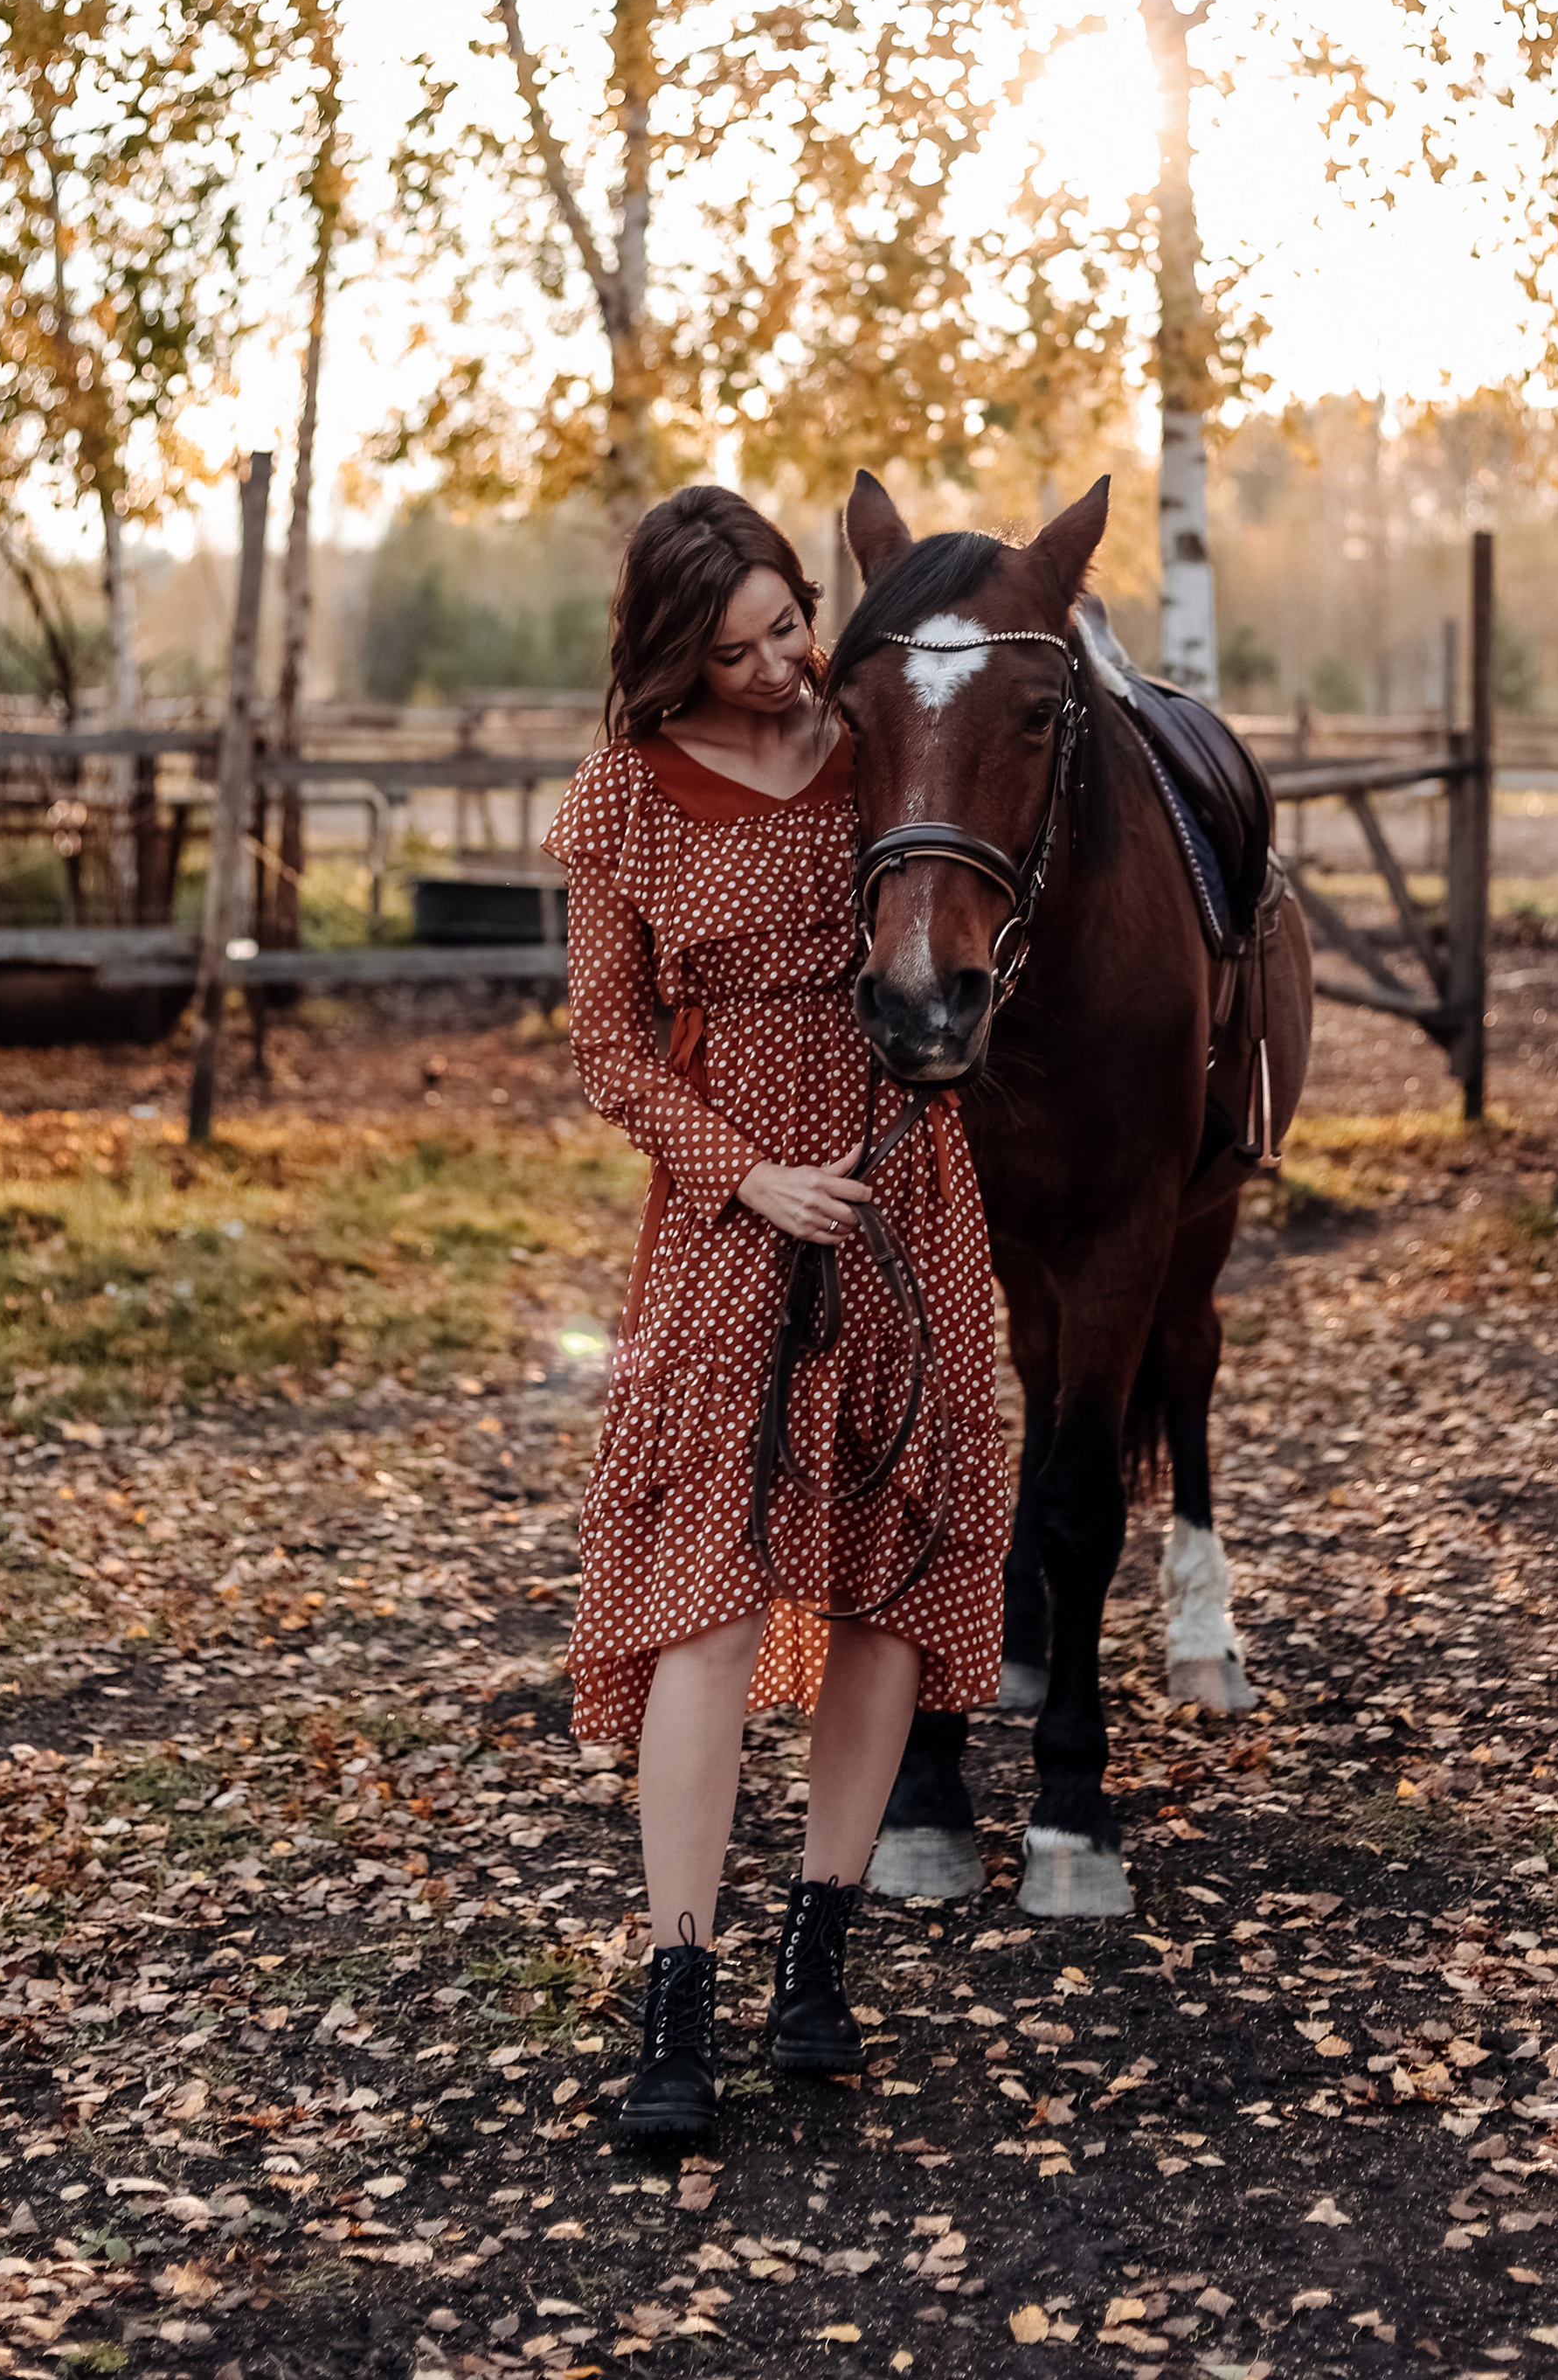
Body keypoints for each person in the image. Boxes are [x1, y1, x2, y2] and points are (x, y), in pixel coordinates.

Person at [543, 485, 1008, 2144]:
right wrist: (749, 1174)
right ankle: (680, 1990)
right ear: (672, 654)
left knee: (890, 1573)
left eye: (790, 624)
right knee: (708, 1599)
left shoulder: (876, 749)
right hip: (732, 1220)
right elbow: (607, 1046)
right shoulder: (623, 805)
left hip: (906, 1196)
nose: (780, 668)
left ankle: (822, 1953)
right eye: (736, 648)